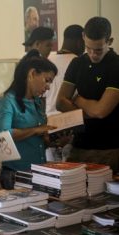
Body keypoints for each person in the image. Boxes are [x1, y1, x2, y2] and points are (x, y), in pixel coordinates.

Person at [56, 17, 119, 173]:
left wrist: (78, 99)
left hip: (109, 148)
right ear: (83, 37)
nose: (93, 54)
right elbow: (60, 102)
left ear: (109, 41)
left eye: (98, 50)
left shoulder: (116, 65)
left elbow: (101, 111)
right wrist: (90, 111)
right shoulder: (77, 63)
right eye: (88, 48)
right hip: (78, 145)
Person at [0, 49, 57, 189]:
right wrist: (36, 130)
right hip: (16, 174)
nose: (48, 87)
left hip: (39, 171)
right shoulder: (8, 100)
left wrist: (53, 140)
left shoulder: (37, 102)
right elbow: (3, 136)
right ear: (32, 74)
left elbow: (37, 142)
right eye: (47, 80)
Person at [44, 24, 84, 161]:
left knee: (49, 175)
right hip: (68, 129)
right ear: (80, 41)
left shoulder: (47, 61)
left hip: (46, 128)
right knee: (68, 175)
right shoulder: (79, 63)